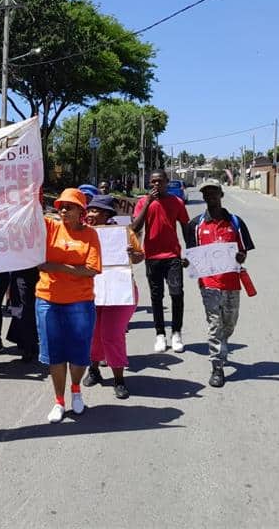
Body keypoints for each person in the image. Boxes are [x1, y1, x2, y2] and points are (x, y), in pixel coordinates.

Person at [37, 188, 102, 422]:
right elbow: (30, 213)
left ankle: (75, 390)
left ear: (81, 211)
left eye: (69, 206)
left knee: (79, 353)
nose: (63, 210)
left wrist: (57, 267)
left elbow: (92, 269)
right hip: (47, 301)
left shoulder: (90, 235)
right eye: (61, 206)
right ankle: (59, 401)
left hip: (80, 303)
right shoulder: (49, 226)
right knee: (54, 353)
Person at [183, 178, 255, 388]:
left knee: (229, 323)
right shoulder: (195, 225)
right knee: (215, 324)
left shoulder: (236, 222)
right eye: (206, 193)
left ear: (221, 195)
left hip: (232, 282)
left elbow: (243, 251)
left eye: (214, 192)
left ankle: (223, 344)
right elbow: (192, 255)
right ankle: (217, 367)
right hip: (209, 284)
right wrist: (187, 262)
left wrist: (241, 257)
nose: (210, 196)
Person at [82, 195, 144, 399]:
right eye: (89, 210)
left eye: (95, 211)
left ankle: (119, 379)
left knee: (111, 334)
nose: (90, 214)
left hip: (119, 291)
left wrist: (131, 254)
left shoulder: (122, 233)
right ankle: (94, 369)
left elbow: (139, 256)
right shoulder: (82, 233)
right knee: (93, 333)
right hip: (92, 291)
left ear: (107, 214)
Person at [132, 169, 190, 354]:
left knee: (177, 294)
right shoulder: (143, 202)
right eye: (153, 182)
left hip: (173, 256)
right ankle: (160, 334)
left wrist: (191, 253)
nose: (156, 184)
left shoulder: (176, 202)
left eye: (160, 181)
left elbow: (186, 227)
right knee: (156, 297)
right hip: (152, 257)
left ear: (166, 182)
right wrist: (148, 202)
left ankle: (176, 333)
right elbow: (135, 227)